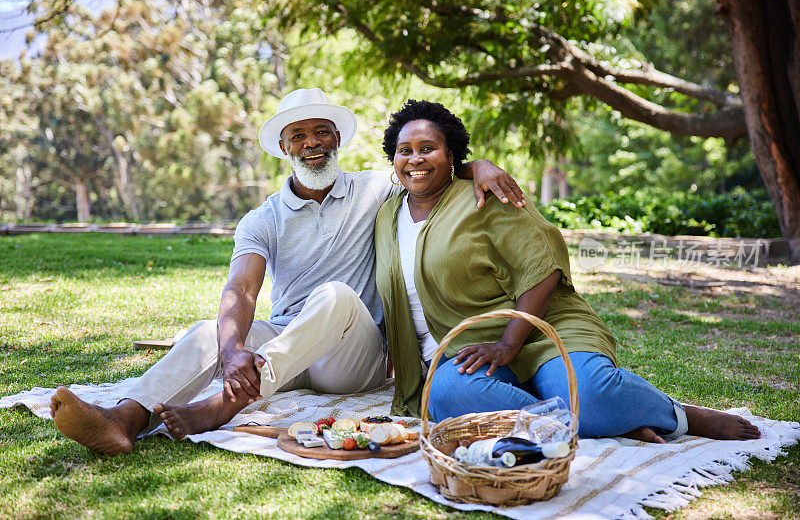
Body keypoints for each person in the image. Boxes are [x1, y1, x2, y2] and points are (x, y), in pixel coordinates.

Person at [48, 89, 527, 455]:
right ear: (283, 146)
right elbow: (241, 289)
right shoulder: (263, 218)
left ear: (337, 139)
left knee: (337, 295)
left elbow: (427, 165)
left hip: (353, 360)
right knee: (203, 334)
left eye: (321, 132)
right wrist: (233, 349)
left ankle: (226, 404)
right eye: (298, 135)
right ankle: (124, 421)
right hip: (289, 353)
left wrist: (478, 165)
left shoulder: (377, 188)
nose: (311, 143)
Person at [374, 99, 761, 442]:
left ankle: (677, 416)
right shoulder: (388, 215)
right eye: (404, 150)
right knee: (446, 396)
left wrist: (509, 343)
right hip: (471, 351)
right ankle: (585, 420)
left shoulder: (485, 195)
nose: (415, 159)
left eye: (429, 148)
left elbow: (543, 268)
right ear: (393, 159)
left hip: (545, 329)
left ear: (453, 155)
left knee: (590, 395)